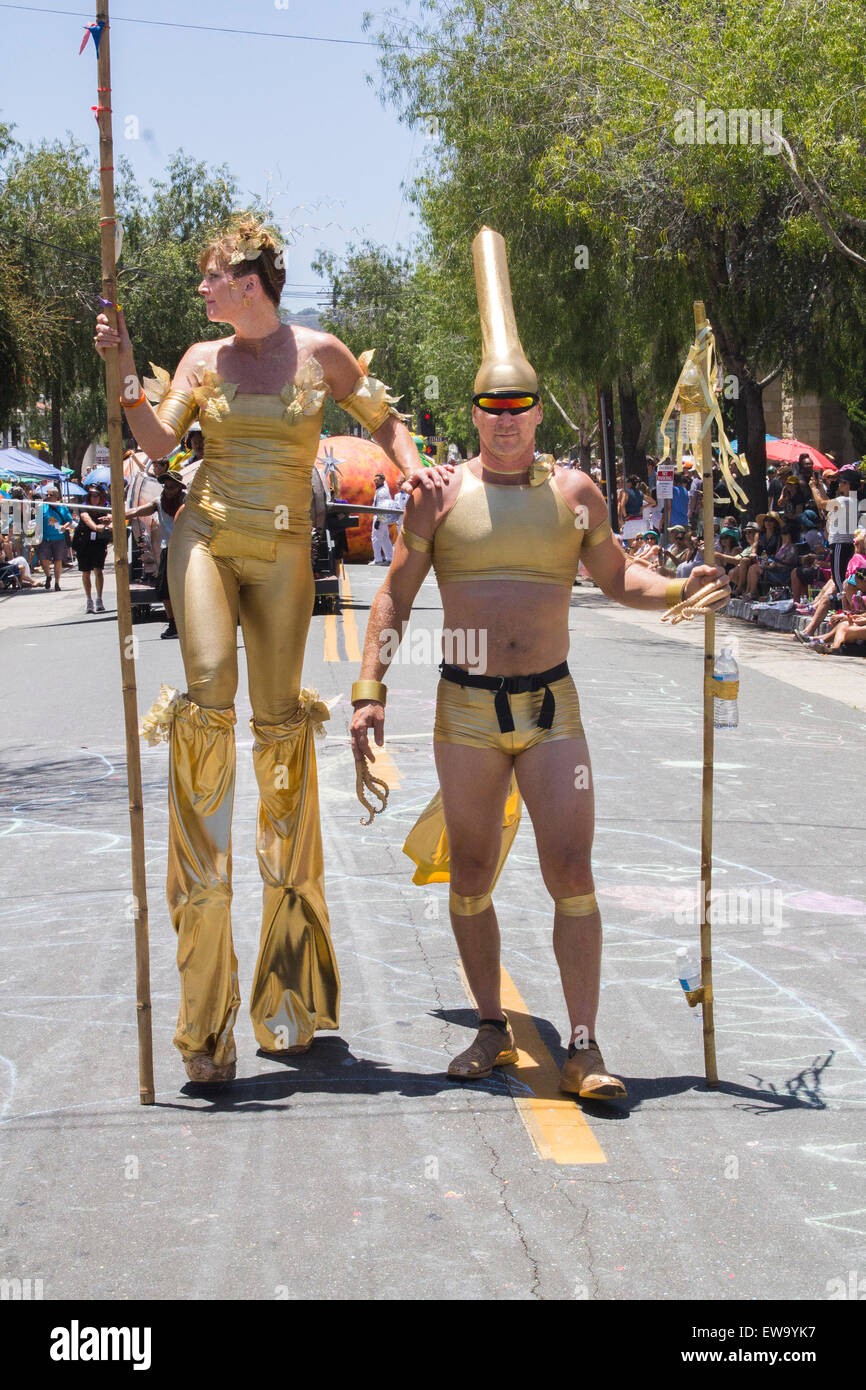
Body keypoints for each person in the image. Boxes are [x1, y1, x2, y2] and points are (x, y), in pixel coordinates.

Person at [349, 226, 728, 1100]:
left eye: (522, 409)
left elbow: (616, 576)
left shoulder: (575, 493)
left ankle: (586, 1045)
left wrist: (678, 588)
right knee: (473, 870)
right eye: (493, 409)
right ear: (475, 414)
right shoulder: (439, 498)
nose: (508, 422)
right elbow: (396, 599)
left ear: (537, 412)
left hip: (554, 710)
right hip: (467, 712)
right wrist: (368, 692)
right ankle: (491, 1024)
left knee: (572, 870)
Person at [95, 212, 451, 1085]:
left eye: (211, 277)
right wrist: (119, 363)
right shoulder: (199, 362)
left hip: (290, 550)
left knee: (279, 727)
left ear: (248, 282)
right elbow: (157, 445)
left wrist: (415, 472)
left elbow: (384, 421)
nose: (203, 290)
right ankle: (204, 1015)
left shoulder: (321, 354)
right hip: (208, 538)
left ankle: (290, 998)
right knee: (210, 693)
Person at [124, 469, 186, 637]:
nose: (168, 490)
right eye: (165, 487)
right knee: (164, 590)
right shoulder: (159, 502)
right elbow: (135, 512)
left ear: (180, 487)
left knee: (191, 588)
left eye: (172, 487)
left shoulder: (189, 500)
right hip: (169, 551)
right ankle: (173, 625)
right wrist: (114, 515)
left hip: (189, 549)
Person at [73, 482, 111, 613]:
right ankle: (89, 600)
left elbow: (110, 515)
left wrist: (108, 521)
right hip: (83, 541)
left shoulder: (105, 506)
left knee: (98, 570)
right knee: (86, 571)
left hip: (99, 542)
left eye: (97, 495)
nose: (94, 498)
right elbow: (85, 518)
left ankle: (99, 599)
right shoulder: (83, 506)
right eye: (92, 495)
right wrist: (96, 527)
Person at [36, 487, 74, 590]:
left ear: (56, 497)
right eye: (47, 495)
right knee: (43, 559)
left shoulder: (62, 508)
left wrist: (64, 527)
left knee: (58, 560)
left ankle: (57, 583)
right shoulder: (42, 507)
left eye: (50, 495)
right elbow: (37, 521)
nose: (48, 497)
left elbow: (69, 520)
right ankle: (48, 576)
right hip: (45, 538)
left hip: (59, 538)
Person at [370, 472, 395, 564]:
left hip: (380, 516)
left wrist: (378, 519)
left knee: (375, 537)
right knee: (385, 538)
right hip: (382, 516)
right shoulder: (382, 488)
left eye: (377, 480)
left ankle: (378, 559)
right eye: (374, 480)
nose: (375, 481)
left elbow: (383, 506)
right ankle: (390, 558)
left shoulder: (382, 492)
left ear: (382, 480)